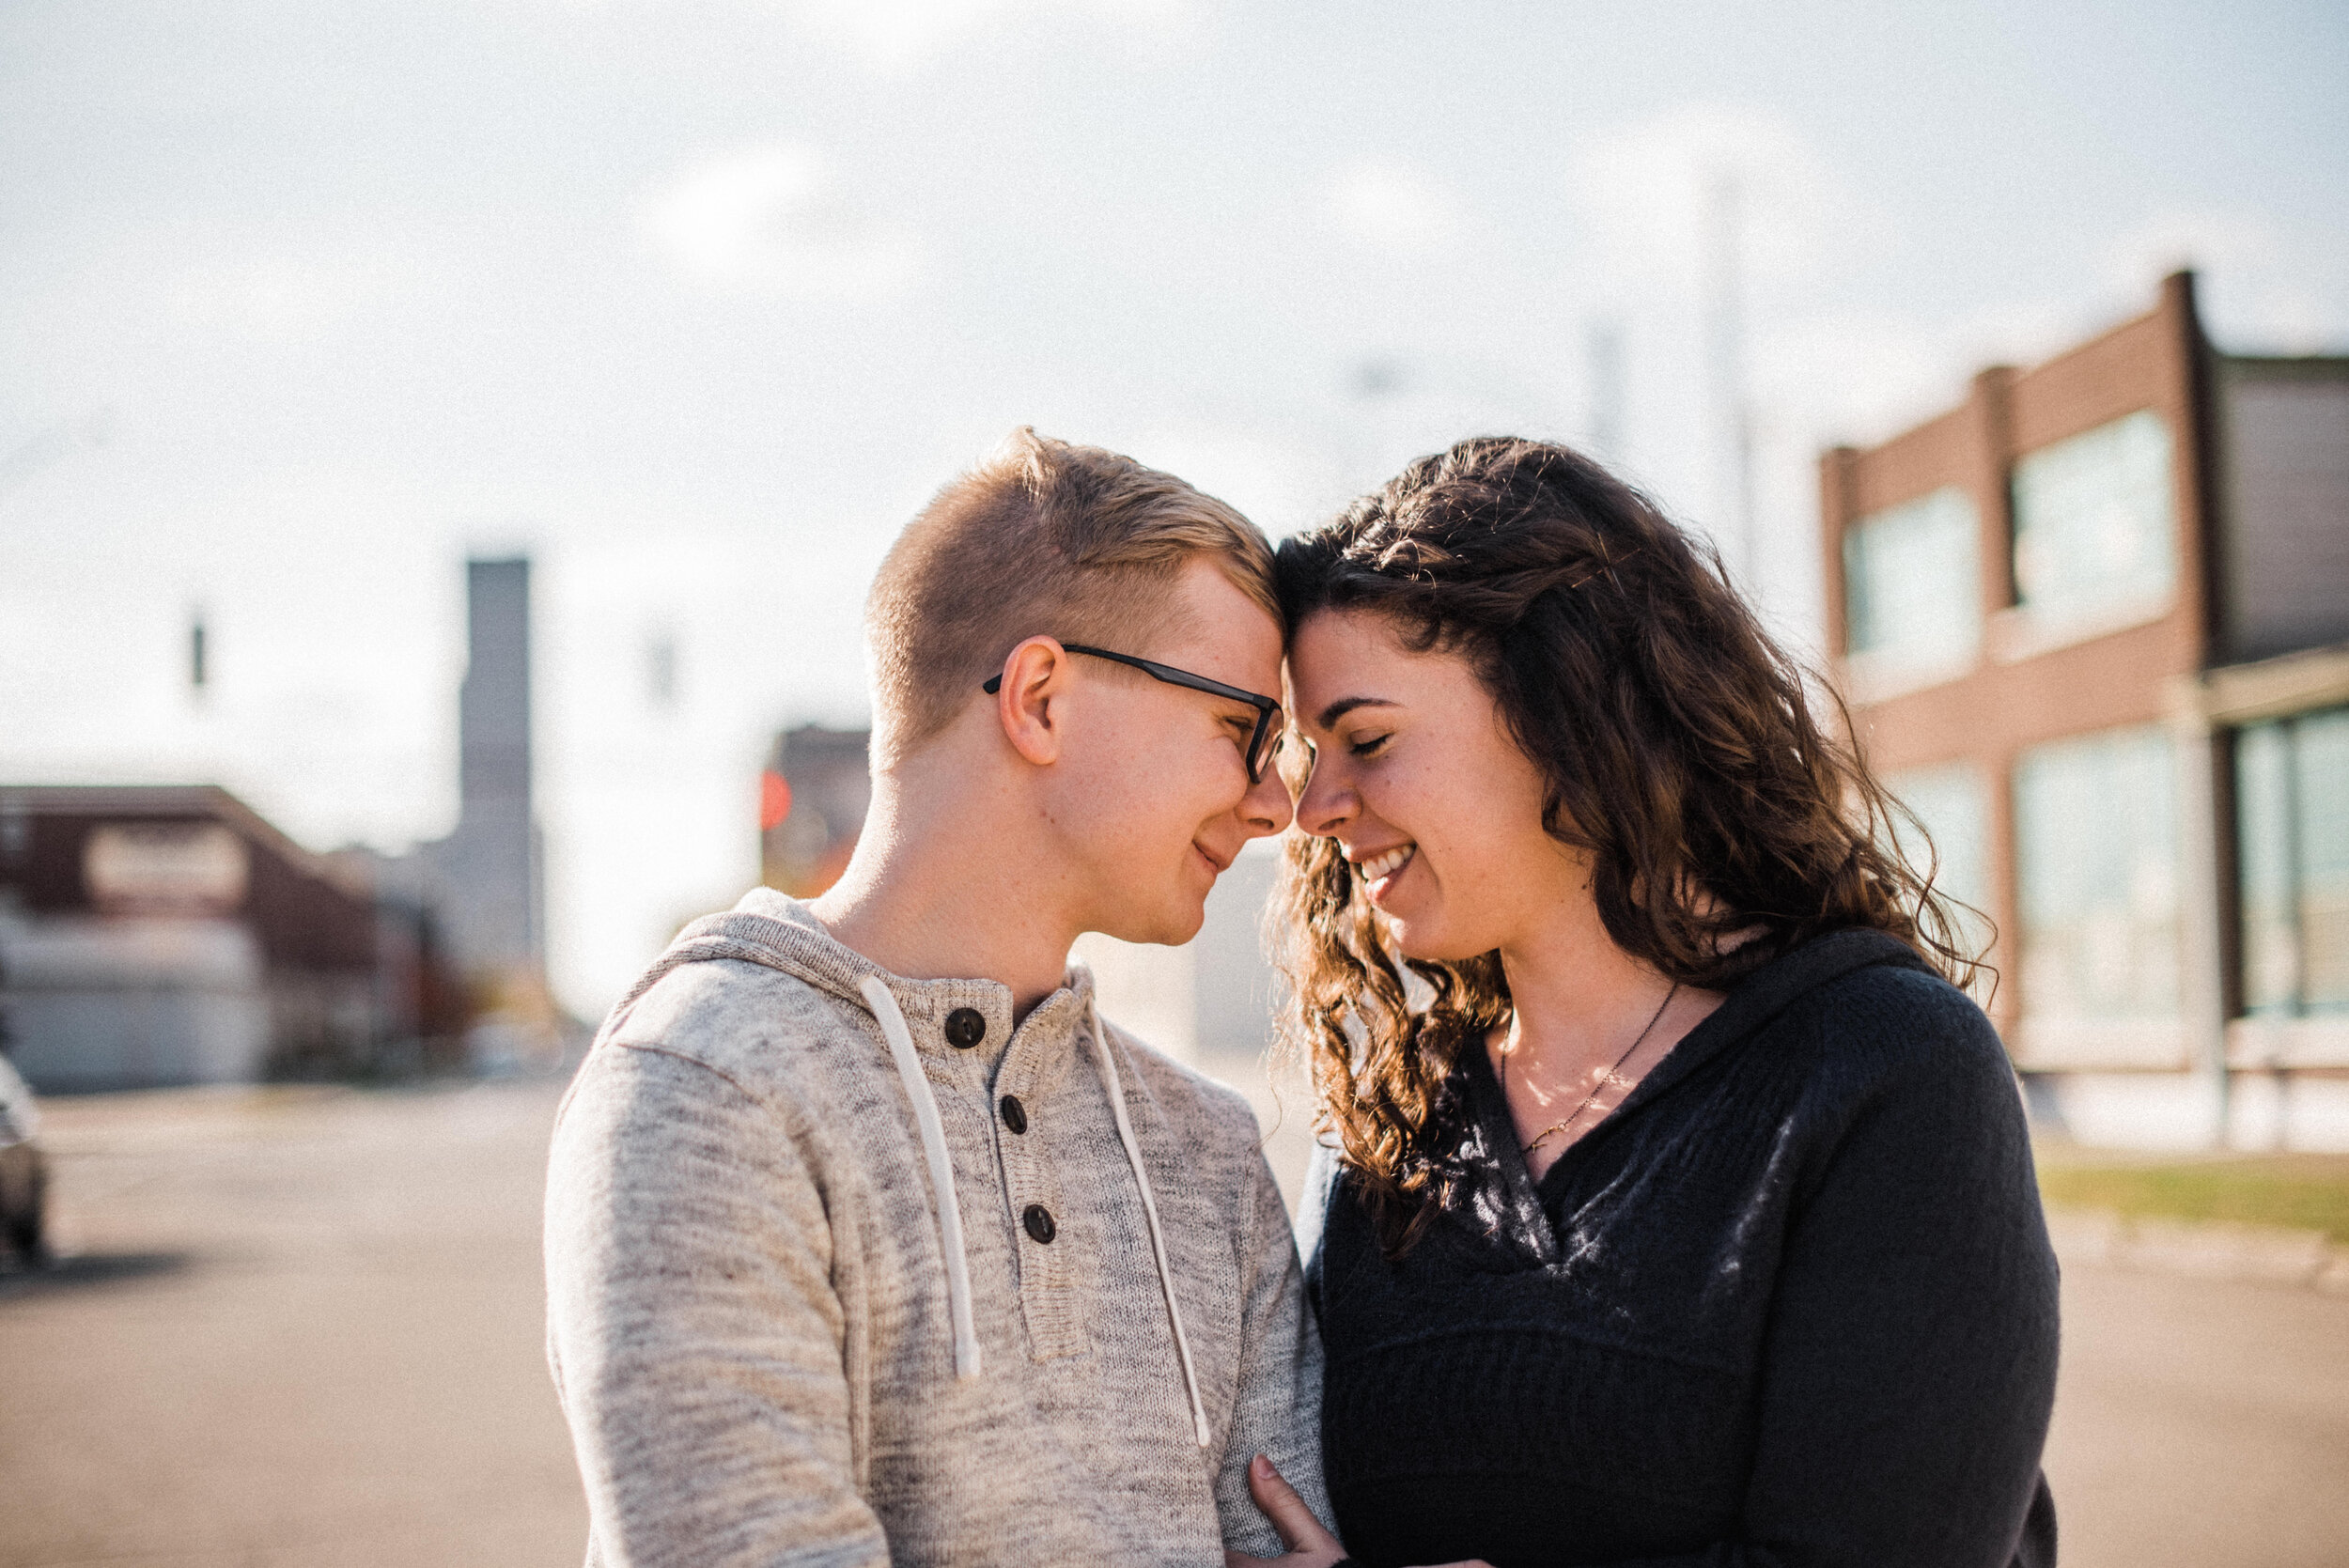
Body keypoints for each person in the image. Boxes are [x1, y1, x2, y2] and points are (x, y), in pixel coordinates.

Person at [1235, 437, 2059, 1568]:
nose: (1315, 806)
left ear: (1565, 711)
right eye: (1306, 751)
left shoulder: (1885, 1067)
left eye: (1366, 740)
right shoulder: (1387, 1130)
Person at [546, 429, 1332, 1566]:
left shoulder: (1207, 1153)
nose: (1277, 806)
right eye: (1243, 731)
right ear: (1042, 699)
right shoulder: (709, 1088)